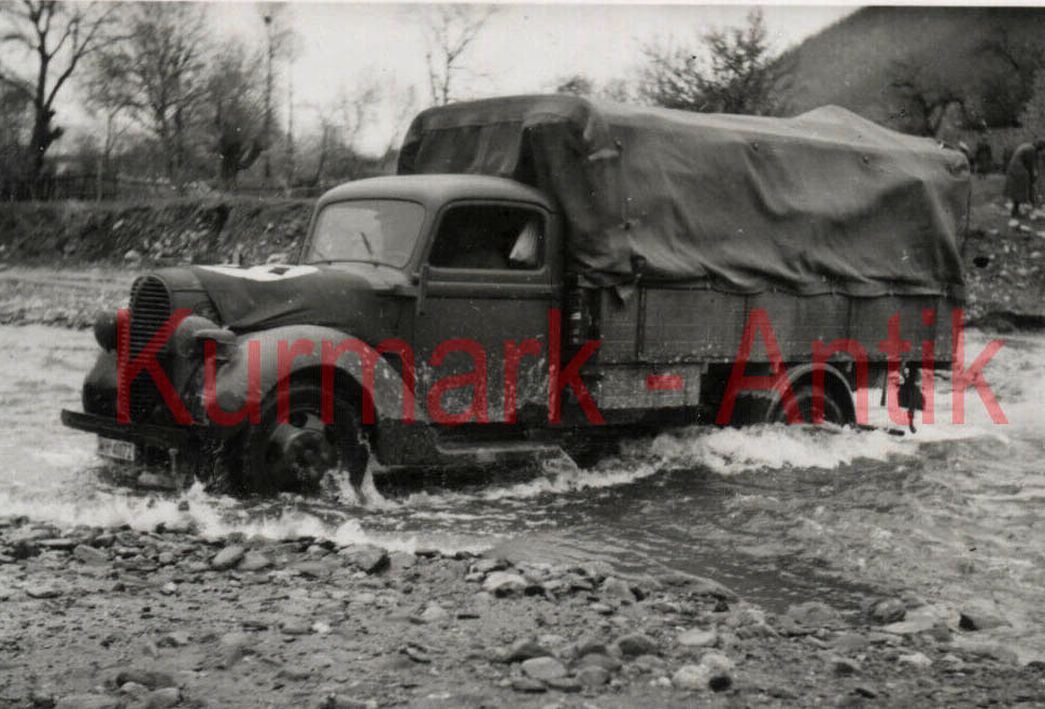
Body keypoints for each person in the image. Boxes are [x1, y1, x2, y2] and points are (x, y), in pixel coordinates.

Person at [1004, 139, 1045, 217]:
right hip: (1019, 168)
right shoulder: (1032, 150)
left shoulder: (1027, 146)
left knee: (1017, 189)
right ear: (1039, 147)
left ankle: (1016, 209)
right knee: (1020, 189)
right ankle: (1015, 211)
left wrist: (1032, 180)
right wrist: (1032, 180)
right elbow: (1031, 166)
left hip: (1013, 167)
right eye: (1041, 149)